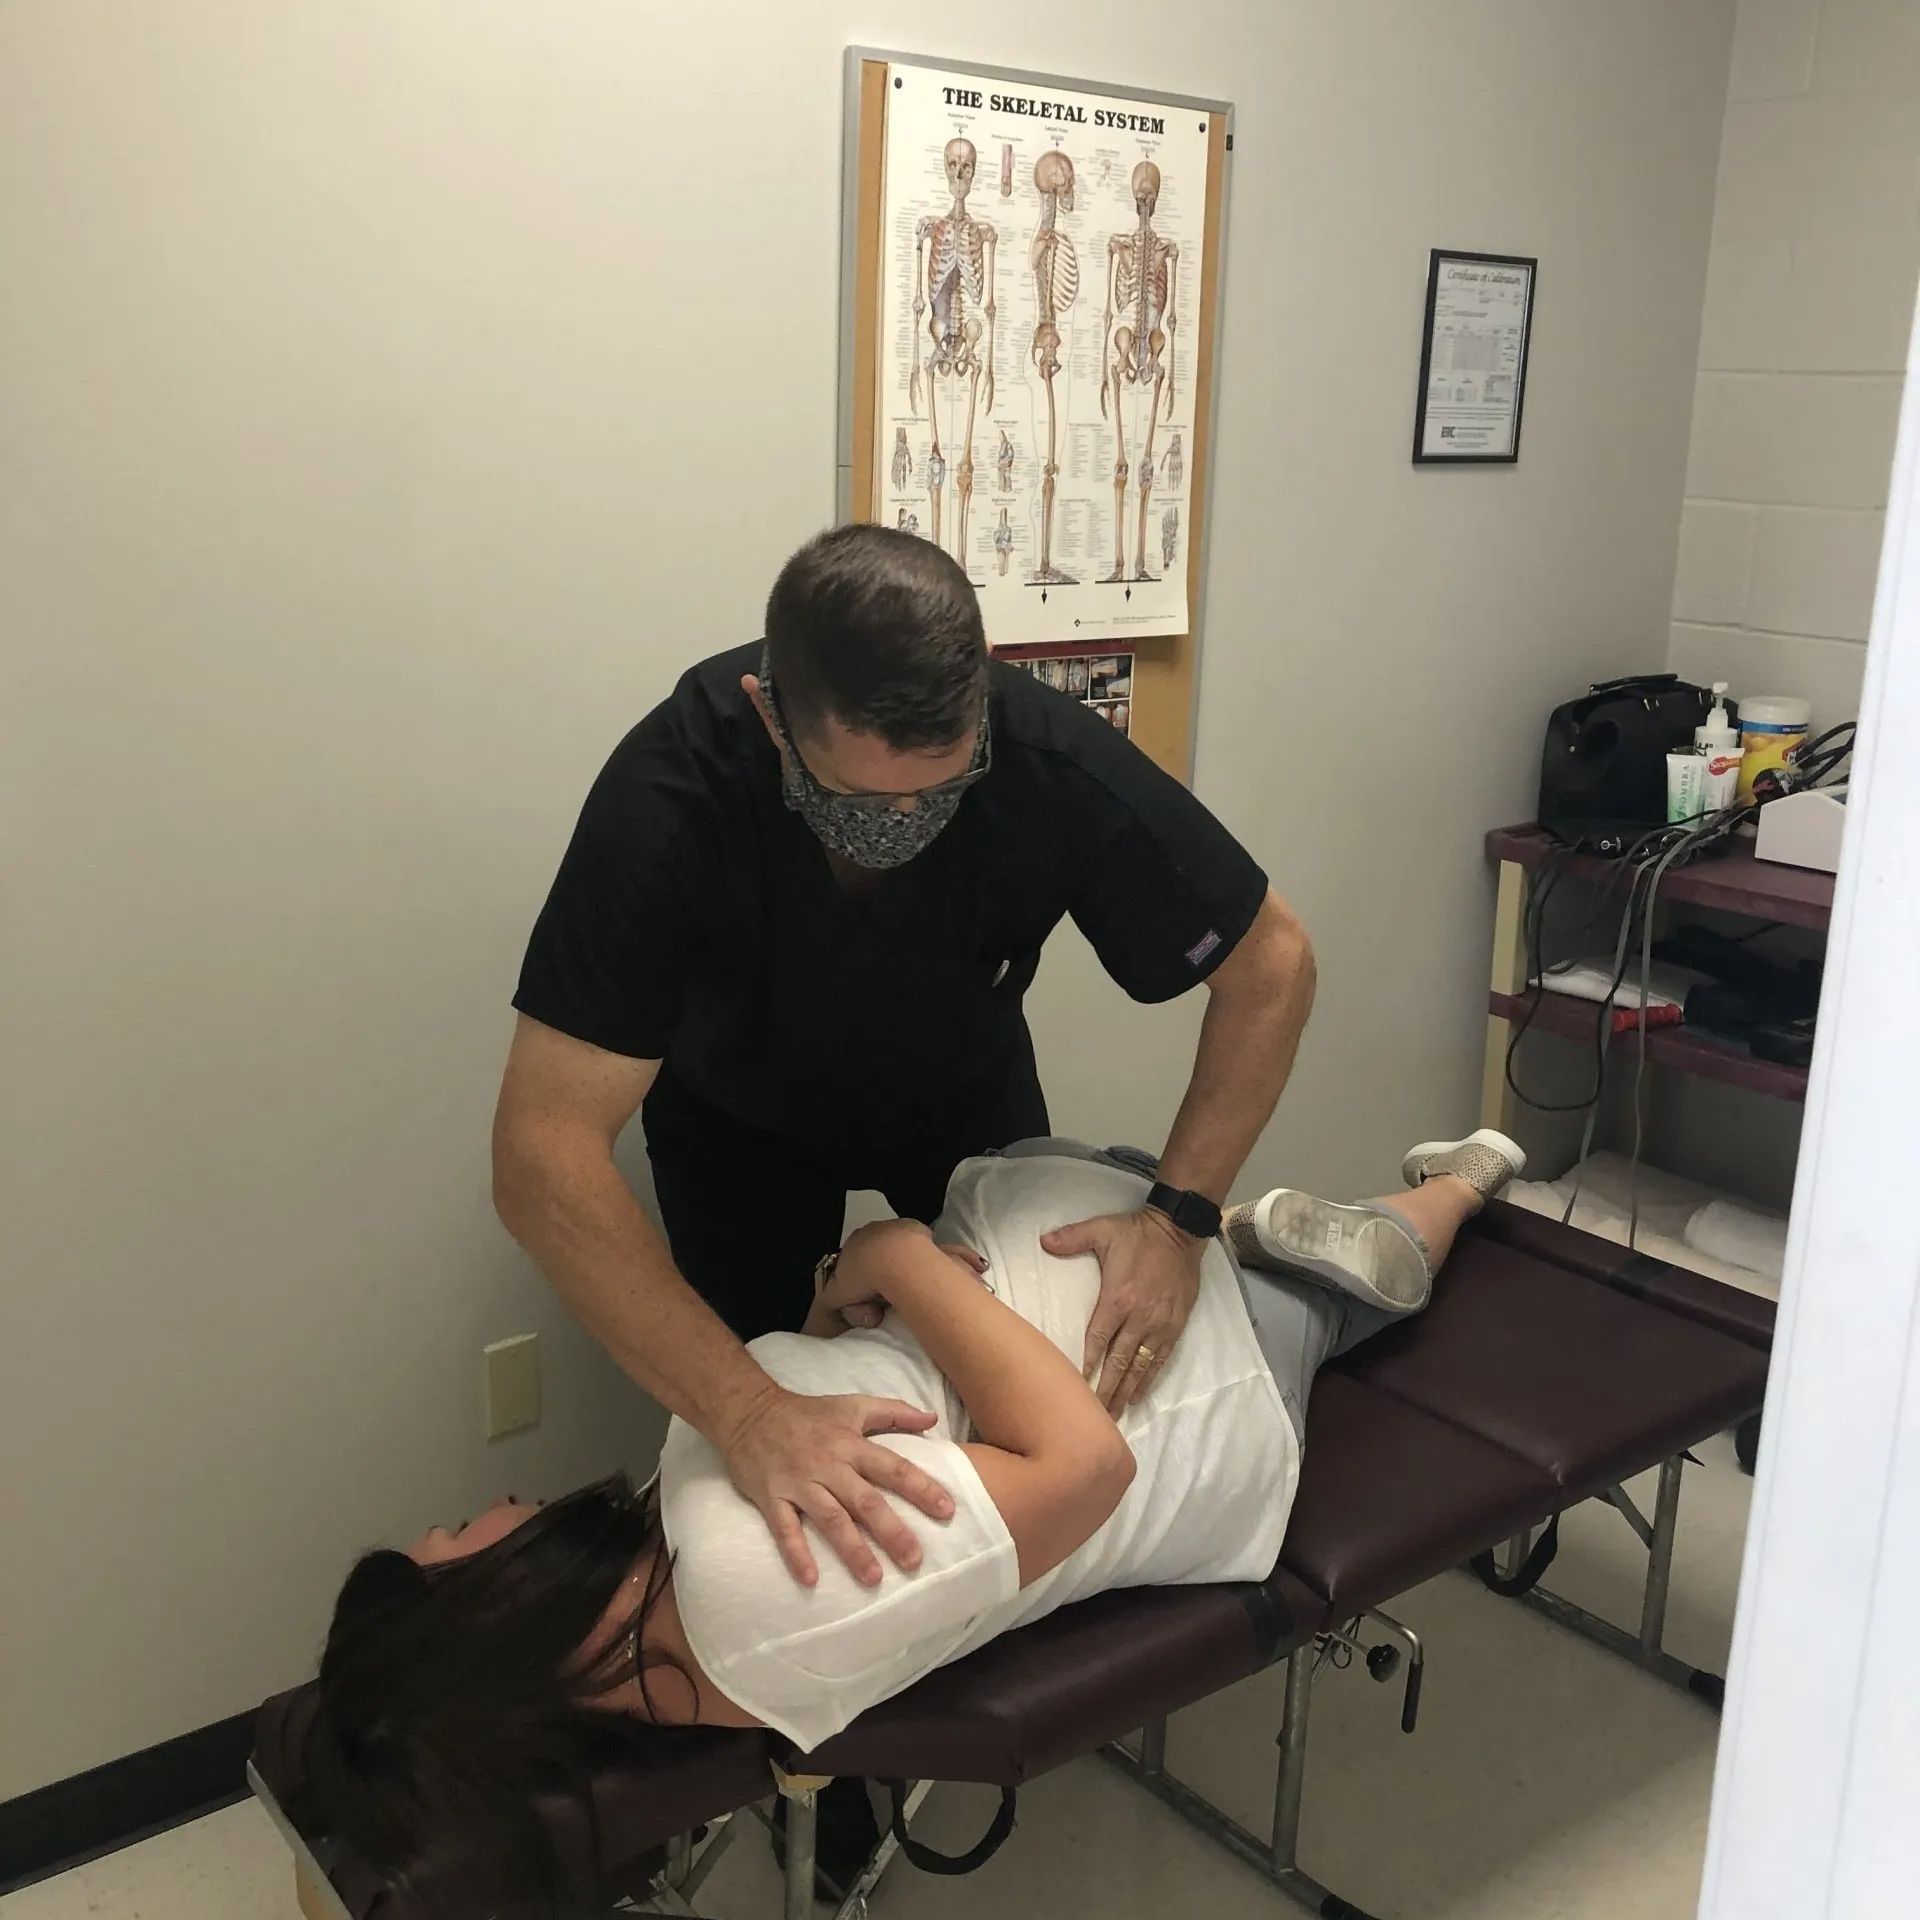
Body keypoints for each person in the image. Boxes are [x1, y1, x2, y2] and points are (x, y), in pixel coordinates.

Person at [305, 1131, 1521, 1912]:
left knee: (1232, 1229)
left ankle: (1322, 1221)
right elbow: (1083, 1467)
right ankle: (1454, 1188)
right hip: (1183, 1377)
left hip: (1070, 1301)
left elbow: (877, 1436)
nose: (477, 1513)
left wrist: (837, 1329)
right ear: (482, 1626)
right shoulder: (746, 1593)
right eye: (453, 1535)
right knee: (1338, 1280)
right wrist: (894, 1255)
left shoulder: (667, 1599)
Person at [494, 524, 1315, 1605]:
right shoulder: (671, 800)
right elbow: (540, 1155)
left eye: (943, 790)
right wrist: (746, 1413)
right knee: (777, 1445)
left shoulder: (1040, 753)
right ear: (771, 715)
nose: (912, 826)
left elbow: (1273, 964)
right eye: (866, 803)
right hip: (739, 1119)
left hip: (958, 1089)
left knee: (1037, 1376)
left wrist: (1178, 1218)